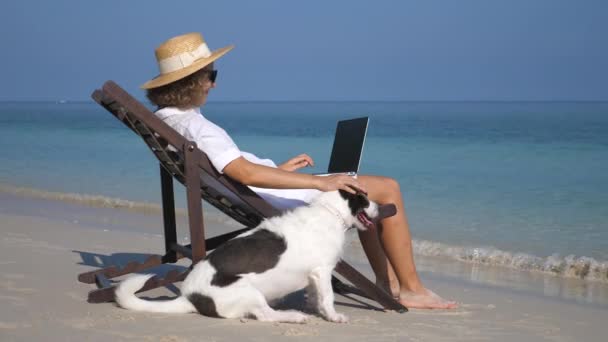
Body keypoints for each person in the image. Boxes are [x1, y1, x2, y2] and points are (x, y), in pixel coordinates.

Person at [141, 32, 457, 309]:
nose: (214, 82)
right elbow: (246, 175)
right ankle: (412, 289)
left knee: (361, 191)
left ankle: (386, 283)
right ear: (192, 81)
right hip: (274, 197)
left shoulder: (170, 120)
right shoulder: (198, 127)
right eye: (210, 75)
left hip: (264, 190)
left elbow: (236, 173)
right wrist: (318, 183)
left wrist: (279, 171)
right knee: (388, 188)